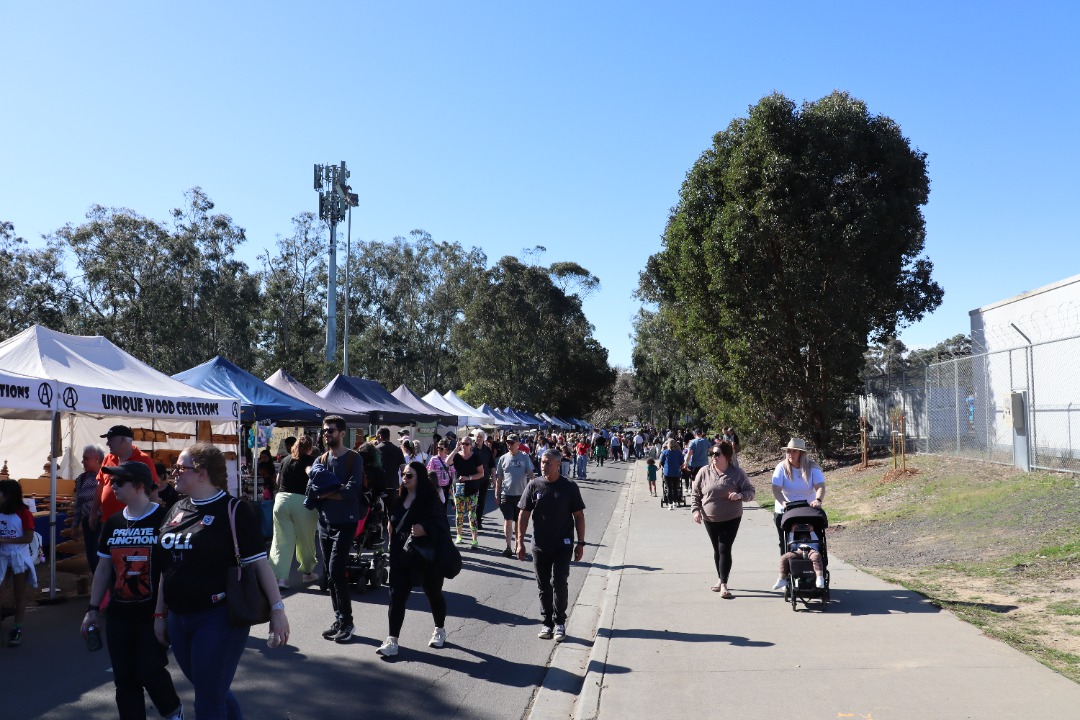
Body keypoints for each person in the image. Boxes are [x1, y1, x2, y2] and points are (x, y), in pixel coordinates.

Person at [154, 443, 289, 719]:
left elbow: (258, 564)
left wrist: (278, 610)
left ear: (202, 473)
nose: (174, 473)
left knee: (207, 700)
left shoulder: (235, 510)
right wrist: (160, 613)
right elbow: (166, 568)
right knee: (211, 689)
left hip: (218, 617)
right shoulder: (176, 508)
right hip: (178, 618)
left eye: (180, 467)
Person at [81, 462, 182, 720]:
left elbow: (172, 570)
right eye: (111, 482)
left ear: (138, 485)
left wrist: (165, 614)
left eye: (119, 482)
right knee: (124, 680)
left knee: (150, 671)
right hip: (119, 615)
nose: (112, 486)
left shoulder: (165, 519)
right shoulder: (113, 523)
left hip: (153, 615)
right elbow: (103, 568)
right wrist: (92, 610)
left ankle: (173, 712)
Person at [376, 461, 449, 657]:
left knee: (433, 593)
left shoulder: (430, 500)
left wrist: (425, 529)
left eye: (409, 475)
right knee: (396, 597)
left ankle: (440, 629)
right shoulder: (399, 499)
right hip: (402, 556)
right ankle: (392, 640)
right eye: (404, 475)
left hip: (425, 558)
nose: (405, 479)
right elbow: (392, 522)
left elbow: (443, 526)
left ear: (420, 479)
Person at [516, 448, 586, 643]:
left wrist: (580, 543)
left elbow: (579, 516)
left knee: (560, 581)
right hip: (540, 545)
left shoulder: (569, 486)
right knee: (543, 585)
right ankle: (547, 622)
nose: (543, 465)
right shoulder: (534, 485)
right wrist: (519, 541)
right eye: (542, 461)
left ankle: (560, 622)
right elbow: (523, 514)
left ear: (558, 464)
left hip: (563, 544)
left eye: (548, 462)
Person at [307, 416, 366, 643]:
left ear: (342, 433)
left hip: (346, 523)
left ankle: (348, 623)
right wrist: (331, 490)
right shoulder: (321, 458)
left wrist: (325, 492)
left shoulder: (354, 458)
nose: (326, 434)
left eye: (330, 430)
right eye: (324, 431)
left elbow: (352, 490)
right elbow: (311, 489)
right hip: (325, 522)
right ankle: (339, 620)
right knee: (330, 575)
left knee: (337, 571)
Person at [690, 441, 756, 598]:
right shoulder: (704, 471)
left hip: (731, 517)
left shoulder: (737, 473)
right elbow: (696, 493)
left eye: (717, 454)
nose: (714, 457)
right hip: (710, 518)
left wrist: (740, 495)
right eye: (712, 454)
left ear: (727, 456)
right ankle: (720, 578)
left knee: (724, 548)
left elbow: (751, 491)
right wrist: (695, 510)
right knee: (716, 549)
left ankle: (724, 584)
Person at [270, 434, 319, 589]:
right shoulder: (312, 461)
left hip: (281, 500)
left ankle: (281, 578)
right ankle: (307, 572)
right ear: (310, 448)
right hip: (303, 502)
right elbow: (315, 478)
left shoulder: (285, 460)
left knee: (281, 540)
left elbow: (278, 481)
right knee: (306, 540)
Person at [89, 425, 160, 532]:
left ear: (123, 440)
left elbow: (153, 490)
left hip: (133, 522)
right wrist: (93, 512)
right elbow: (101, 486)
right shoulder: (108, 458)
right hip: (107, 521)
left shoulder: (143, 459)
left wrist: (152, 518)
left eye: (111, 440)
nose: (107, 443)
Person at [771, 438, 826, 554]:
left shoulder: (812, 468)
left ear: (802, 453)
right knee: (785, 542)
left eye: (794, 451)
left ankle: (817, 565)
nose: (790, 454)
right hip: (786, 510)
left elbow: (820, 486)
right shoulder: (781, 467)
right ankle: (785, 568)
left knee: (815, 538)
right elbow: (776, 488)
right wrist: (783, 502)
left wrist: (818, 499)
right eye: (788, 451)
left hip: (807, 510)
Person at [0, 479, 36, 647]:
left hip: (18, 556)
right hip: (2, 555)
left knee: (18, 593)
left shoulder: (23, 513)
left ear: (7, 496)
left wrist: (4, 539)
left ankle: (17, 628)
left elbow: (28, 538)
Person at [495, 434, 535, 558]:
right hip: (506, 494)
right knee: (508, 520)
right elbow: (499, 478)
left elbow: (531, 475)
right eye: (507, 442)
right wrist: (497, 493)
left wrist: (533, 490)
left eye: (512, 443)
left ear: (518, 444)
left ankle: (518, 544)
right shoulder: (503, 458)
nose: (509, 445)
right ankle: (508, 546)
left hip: (521, 495)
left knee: (518, 522)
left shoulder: (524, 457)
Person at [73, 443, 105, 573]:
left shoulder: (108, 475)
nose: (82, 461)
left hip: (103, 521)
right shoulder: (82, 478)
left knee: (100, 554)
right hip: (87, 521)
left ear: (97, 458)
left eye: (86, 458)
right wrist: (75, 525)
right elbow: (78, 503)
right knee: (91, 556)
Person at [448, 436, 484, 549]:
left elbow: (481, 473)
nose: (464, 446)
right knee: (459, 513)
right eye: (462, 443)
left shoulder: (475, 457)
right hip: (458, 487)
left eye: (467, 444)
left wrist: (468, 478)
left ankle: (474, 539)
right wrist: (455, 449)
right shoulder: (457, 456)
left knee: (472, 514)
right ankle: (459, 536)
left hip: (472, 488)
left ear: (471, 445)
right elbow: (447, 461)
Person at [773, 521, 825, 590]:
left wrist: (811, 531)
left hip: (811, 550)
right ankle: (782, 579)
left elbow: (817, 543)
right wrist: (792, 531)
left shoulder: (813, 541)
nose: (804, 538)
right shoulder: (797, 542)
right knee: (784, 557)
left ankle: (819, 578)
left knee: (816, 556)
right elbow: (791, 545)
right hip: (799, 551)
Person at [471, 430, 494, 531]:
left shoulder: (487, 450)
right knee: (473, 501)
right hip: (473, 479)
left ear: (483, 438)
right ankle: (473, 521)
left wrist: (494, 477)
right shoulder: (471, 448)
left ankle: (478, 521)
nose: (478, 438)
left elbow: (492, 465)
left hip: (484, 480)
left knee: (481, 501)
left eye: (480, 437)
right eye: (477, 436)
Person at [426, 439, 455, 507]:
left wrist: (453, 485)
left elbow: (453, 472)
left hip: (447, 486)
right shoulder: (433, 459)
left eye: (441, 448)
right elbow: (429, 471)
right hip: (437, 486)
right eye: (438, 447)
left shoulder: (449, 458)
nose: (439, 450)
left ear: (446, 449)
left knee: (444, 505)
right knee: (436, 505)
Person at [659, 439, 683, 508]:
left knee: (669, 488)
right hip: (676, 472)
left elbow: (661, 462)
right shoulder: (678, 452)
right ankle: (675, 501)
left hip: (667, 472)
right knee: (675, 488)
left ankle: (670, 504)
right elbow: (681, 462)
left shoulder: (665, 452)